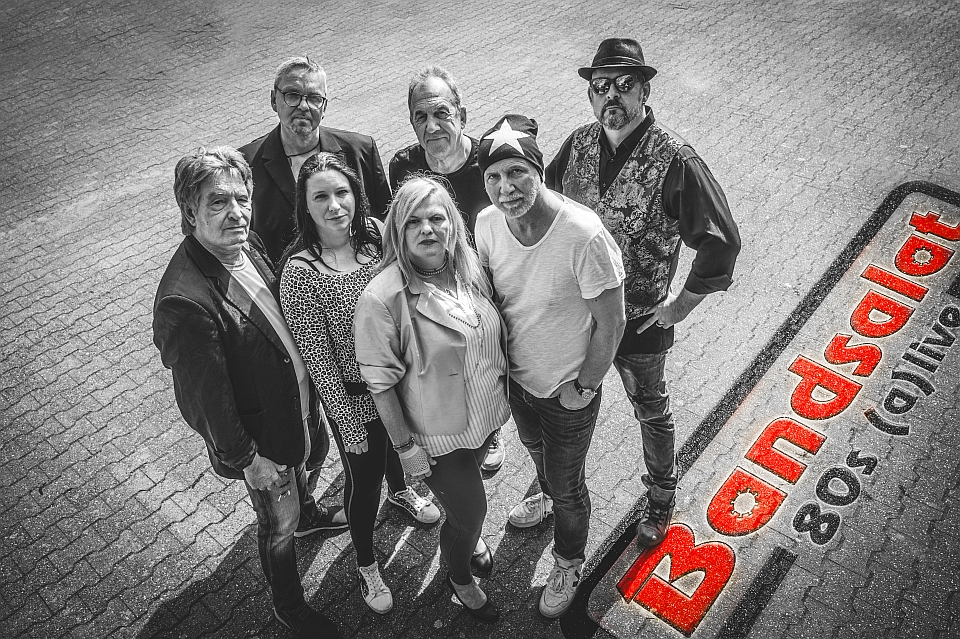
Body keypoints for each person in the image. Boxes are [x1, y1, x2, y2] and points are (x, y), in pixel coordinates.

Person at [546, 38, 741, 548]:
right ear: (590, 94)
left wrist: (679, 306)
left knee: (651, 410)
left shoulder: (675, 159)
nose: (611, 95)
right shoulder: (577, 144)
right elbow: (546, 208)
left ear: (644, 90)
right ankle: (551, 489)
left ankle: (660, 496)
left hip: (638, 319)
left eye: (624, 84)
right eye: (600, 86)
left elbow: (721, 242)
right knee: (564, 404)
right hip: (579, 315)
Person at [153, 147, 342, 638]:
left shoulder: (245, 243)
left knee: (306, 472)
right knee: (278, 525)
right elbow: (203, 404)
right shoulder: (184, 300)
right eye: (218, 202)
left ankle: (310, 515)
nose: (236, 213)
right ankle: (288, 605)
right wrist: (248, 460)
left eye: (242, 198)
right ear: (189, 211)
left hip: (297, 406)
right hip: (262, 440)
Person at [474, 115, 626, 619]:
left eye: (517, 172)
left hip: (567, 391)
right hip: (518, 384)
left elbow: (612, 322)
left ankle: (568, 561)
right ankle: (542, 495)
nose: (506, 187)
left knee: (568, 487)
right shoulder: (486, 224)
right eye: (494, 177)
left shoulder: (583, 234)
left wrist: (584, 387)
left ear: (539, 171)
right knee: (535, 452)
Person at [278, 153, 441, 614]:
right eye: (321, 197)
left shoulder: (374, 233)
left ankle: (402, 493)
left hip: (401, 382)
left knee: (399, 450)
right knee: (363, 481)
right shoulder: (301, 272)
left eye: (342, 192)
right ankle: (366, 562)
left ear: (356, 193)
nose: (334, 206)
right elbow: (320, 363)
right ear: (305, 206)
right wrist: (347, 426)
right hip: (353, 398)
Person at [355, 176, 511, 623]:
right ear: (397, 231)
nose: (427, 229)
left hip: (482, 418)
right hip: (437, 436)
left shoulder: (468, 268)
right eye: (413, 221)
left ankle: (467, 536)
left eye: (437, 218)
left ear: (452, 225)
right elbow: (380, 384)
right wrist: (405, 449)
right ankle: (459, 578)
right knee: (472, 512)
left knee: (466, 508)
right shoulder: (382, 298)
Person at [388, 65, 505, 472]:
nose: (432, 125)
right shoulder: (403, 166)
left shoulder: (488, 160)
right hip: (435, 285)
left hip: (488, 282)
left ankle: (493, 429)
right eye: (420, 116)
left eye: (442, 113)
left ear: (463, 115)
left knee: (490, 357)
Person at [240, 56, 391, 263]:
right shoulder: (246, 165)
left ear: (324, 107)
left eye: (314, 98)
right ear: (274, 100)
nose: (303, 106)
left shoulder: (361, 151)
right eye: (292, 95)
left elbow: (387, 222)